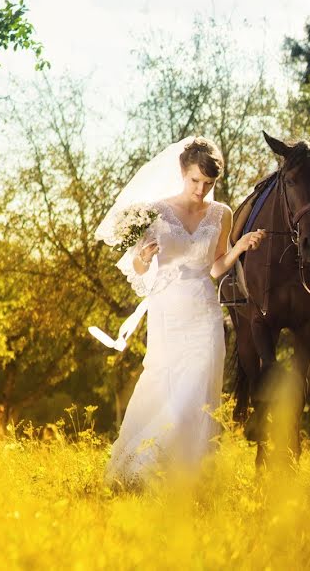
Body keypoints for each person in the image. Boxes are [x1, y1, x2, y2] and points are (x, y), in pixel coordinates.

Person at [96, 137, 266, 489]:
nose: (201, 190)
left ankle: (190, 477)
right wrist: (143, 257)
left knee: (201, 386)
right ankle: (144, 467)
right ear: (182, 173)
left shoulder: (222, 214)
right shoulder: (154, 211)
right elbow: (141, 271)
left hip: (204, 310)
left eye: (208, 184)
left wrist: (240, 248)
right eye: (195, 181)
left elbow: (216, 267)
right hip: (168, 311)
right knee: (164, 383)